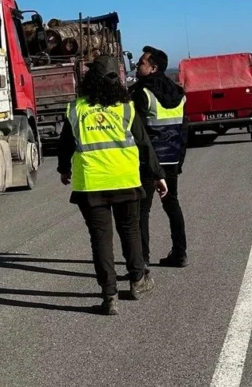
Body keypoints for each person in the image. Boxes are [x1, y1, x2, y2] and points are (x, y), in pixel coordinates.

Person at [57, 55, 168, 315]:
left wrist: (64, 170)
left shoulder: (76, 109)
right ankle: (138, 281)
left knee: (100, 240)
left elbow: (65, 144)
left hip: (91, 185)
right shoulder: (126, 107)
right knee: (130, 232)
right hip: (126, 182)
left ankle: (109, 297)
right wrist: (158, 174)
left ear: (89, 80)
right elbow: (144, 144)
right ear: (116, 80)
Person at [131, 45, 190, 268]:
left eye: (142, 62)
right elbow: (184, 131)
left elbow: (136, 132)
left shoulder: (140, 93)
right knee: (172, 204)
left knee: (141, 211)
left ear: (153, 67)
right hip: (171, 160)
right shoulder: (178, 93)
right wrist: (179, 161)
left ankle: (142, 261)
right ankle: (180, 253)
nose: (137, 65)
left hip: (147, 161)